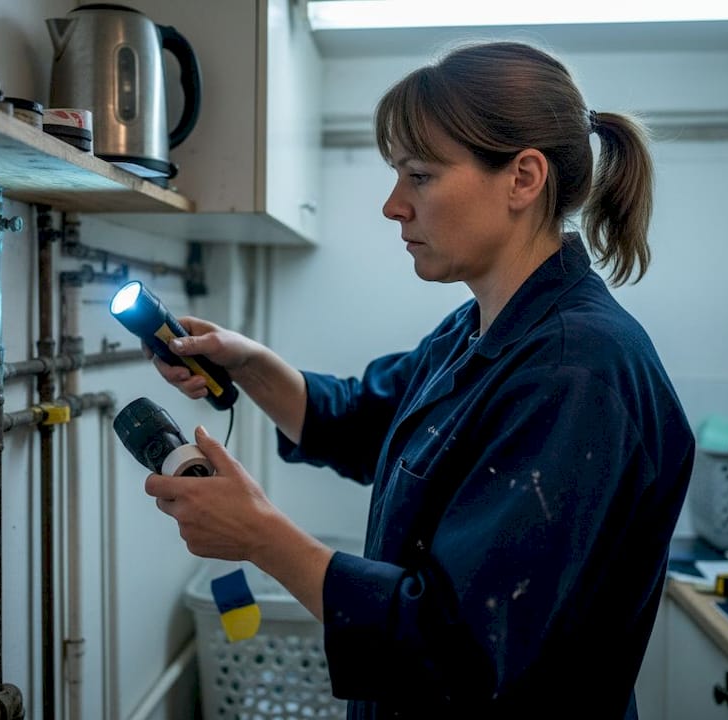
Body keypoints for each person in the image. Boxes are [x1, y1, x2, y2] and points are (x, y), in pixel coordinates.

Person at [142, 41, 694, 719]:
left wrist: (260, 536)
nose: (393, 205)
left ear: (523, 178)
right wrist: (249, 363)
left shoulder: (576, 371)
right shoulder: (480, 330)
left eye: (420, 176)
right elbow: (360, 421)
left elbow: (458, 644)